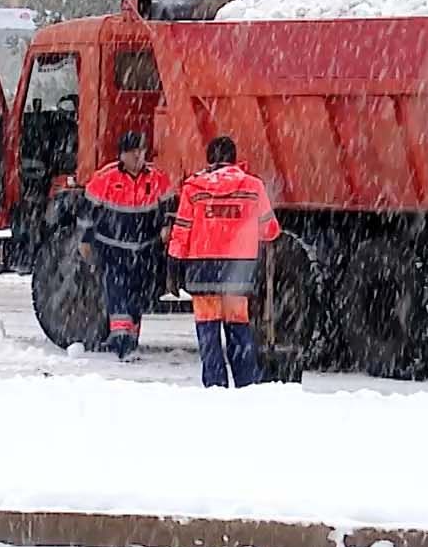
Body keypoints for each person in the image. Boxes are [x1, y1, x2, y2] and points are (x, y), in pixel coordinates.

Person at [168, 135, 281, 388]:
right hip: (238, 270)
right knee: (238, 329)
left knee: (208, 331)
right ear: (234, 159)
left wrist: (174, 263)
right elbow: (271, 230)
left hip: (202, 268)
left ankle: (215, 384)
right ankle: (245, 383)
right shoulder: (253, 186)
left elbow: (182, 229)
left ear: (209, 159)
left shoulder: (193, 188)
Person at [78, 131, 175, 360]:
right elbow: (87, 212)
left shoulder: (157, 178)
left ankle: (131, 338)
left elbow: (170, 205)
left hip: (145, 249)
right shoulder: (106, 178)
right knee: (117, 292)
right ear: (122, 155)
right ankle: (121, 342)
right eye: (133, 153)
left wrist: (166, 226)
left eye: (141, 152)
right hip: (113, 248)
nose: (138, 157)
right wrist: (85, 240)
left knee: (136, 296)